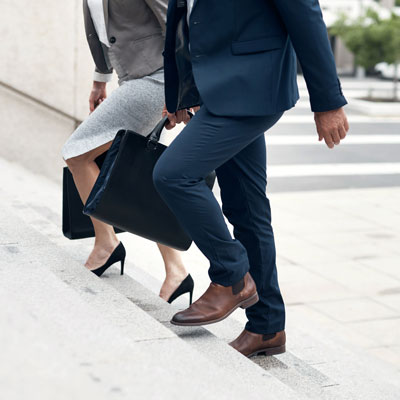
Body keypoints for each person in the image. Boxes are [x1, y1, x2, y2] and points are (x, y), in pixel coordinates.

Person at [153, 0, 349, 357]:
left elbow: (305, 15)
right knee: (247, 208)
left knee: (173, 174)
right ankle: (267, 326)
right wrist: (180, 92)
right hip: (220, 88)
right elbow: (185, 16)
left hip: (254, 83)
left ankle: (232, 277)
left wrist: (328, 102)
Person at [62, 0, 194, 304]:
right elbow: (97, 27)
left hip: (157, 78)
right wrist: (100, 79)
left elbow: (175, 23)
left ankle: (106, 243)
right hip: (133, 78)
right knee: (142, 169)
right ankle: (177, 272)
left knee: (77, 152)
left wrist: (186, 89)